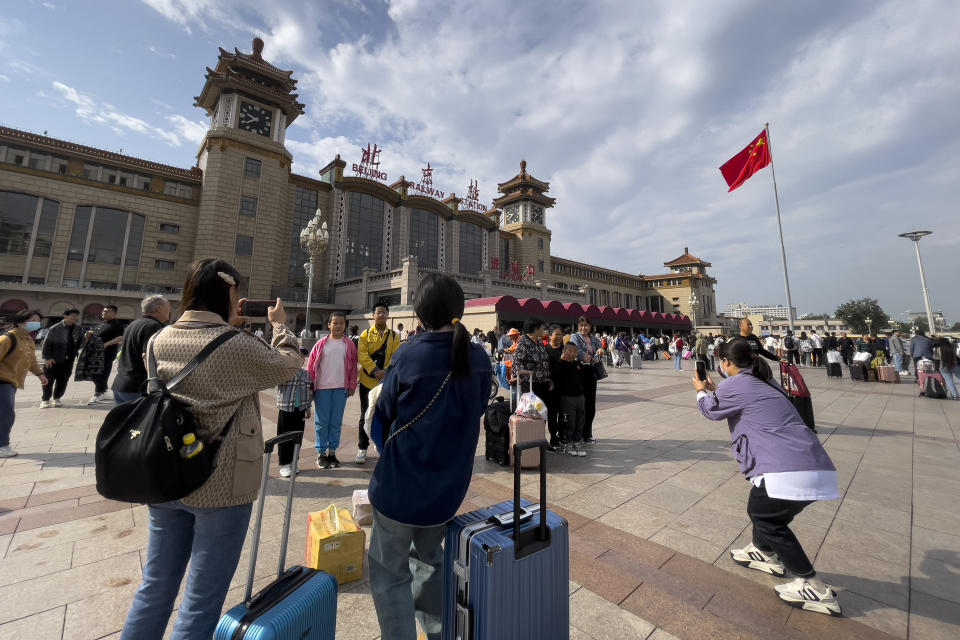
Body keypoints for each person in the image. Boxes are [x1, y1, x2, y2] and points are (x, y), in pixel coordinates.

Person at [120, 258, 303, 639]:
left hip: (165, 474)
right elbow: (288, 365)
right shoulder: (238, 344)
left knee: (155, 586)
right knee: (201, 600)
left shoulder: (158, 339)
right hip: (222, 483)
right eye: (235, 291)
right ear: (228, 291)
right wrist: (280, 325)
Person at [366, 273, 491, 640]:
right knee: (431, 563)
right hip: (447, 491)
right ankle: (438, 633)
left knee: (390, 574)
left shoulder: (409, 355)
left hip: (399, 489)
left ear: (419, 312)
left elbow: (385, 415)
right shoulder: (479, 358)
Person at [692, 338, 841, 616]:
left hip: (788, 468)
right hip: (811, 462)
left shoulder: (735, 385)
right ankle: (762, 550)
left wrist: (701, 391)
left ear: (725, 363)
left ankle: (812, 584)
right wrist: (716, 390)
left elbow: (710, 410)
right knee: (761, 505)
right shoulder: (766, 381)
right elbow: (737, 400)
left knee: (766, 517)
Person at [306, 311, 358, 469]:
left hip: (340, 389)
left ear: (345, 326)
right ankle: (321, 453)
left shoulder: (349, 344)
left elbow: (353, 368)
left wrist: (351, 386)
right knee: (322, 422)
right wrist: (310, 386)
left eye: (341, 323)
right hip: (322, 389)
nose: (338, 326)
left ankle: (333, 453)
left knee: (335, 422)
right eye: (335, 323)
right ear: (329, 324)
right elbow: (310, 367)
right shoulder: (321, 344)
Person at [355, 302, 402, 464]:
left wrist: (385, 373)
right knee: (364, 414)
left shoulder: (395, 336)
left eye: (384, 312)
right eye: (378, 312)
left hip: (386, 383)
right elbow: (362, 355)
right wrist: (376, 371)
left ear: (388, 315)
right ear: (373, 315)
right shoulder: (365, 335)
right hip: (368, 381)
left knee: (387, 415)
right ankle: (362, 447)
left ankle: (383, 446)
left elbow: (396, 357)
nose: (381, 315)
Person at [0, 310, 48, 457]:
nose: (37, 323)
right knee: (7, 414)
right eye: (33, 319)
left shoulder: (28, 339)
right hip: (2, 380)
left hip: (12, 381)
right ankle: (2, 446)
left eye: (38, 320)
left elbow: (32, 361)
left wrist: (40, 375)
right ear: (20, 321)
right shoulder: (7, 338)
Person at [112, 295, 171, 404]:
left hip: (120, 384)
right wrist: (156, 385)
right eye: (168, 307)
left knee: (126, 421)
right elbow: (147, 357)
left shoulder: (133, 324)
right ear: (159, 308)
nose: (169, 311)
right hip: (137, 388)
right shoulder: (153, 326)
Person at [512, 317, 557, 449]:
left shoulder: (538, 342)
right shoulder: (523, 343)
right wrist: (528, 373)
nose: (544, 330)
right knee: (534, 415)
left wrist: (548, 377)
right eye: (542, 327)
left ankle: (541, 441)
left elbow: (544, 362)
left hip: (543, 384)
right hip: (531, 386)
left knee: (542, 414)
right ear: (535, 329)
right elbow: (516, 367)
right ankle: (533, 442)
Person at [275, 351, 313, 477]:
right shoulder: (284, 372)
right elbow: (274, 382)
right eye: (296, 355)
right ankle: (284, 464)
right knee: (284, 436)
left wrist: (308, 407)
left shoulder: (306, 374)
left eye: (302, 356)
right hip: (286, 409)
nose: (299, 358)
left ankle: (293, 461)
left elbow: (309, 392)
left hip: (300, 410)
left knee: (297, 436)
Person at [39, 308, 83, 408]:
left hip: (69, 360)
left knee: (63, 380)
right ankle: (45, 400)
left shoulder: (79, 329)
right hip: (54, 359)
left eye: (76, 316)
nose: (74, 318)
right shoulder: (55, 328)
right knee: (48, 380)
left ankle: (57, 398)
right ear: (65, 316)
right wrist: (47, 357)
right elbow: (47, 344)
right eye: (72, 316)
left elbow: (81, 342)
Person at [569, 316, 602, 444]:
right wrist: (590, 357)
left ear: (590, 326)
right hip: (579, 372)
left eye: (586, 325)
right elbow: (577, 351)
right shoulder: (575, 337)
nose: (584, 328)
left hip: (591, 373)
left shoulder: (593, 338)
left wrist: (600, 350)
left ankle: (587, 433)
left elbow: (599, 348)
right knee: (580, 404)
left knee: (590, 405)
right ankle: (577, 434)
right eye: (581, 325)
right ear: (578, 326)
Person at [552, 343, 587, 457]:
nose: (572, 353)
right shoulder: (560, 364)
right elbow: (555, 378)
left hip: (580, 397)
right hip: (567, 398)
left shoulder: (578, 364)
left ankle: (577, 441)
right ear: (564, 352)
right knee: (569, 421)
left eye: (575, 351)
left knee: (580, 420)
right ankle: (568, 443)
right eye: (570, 351)